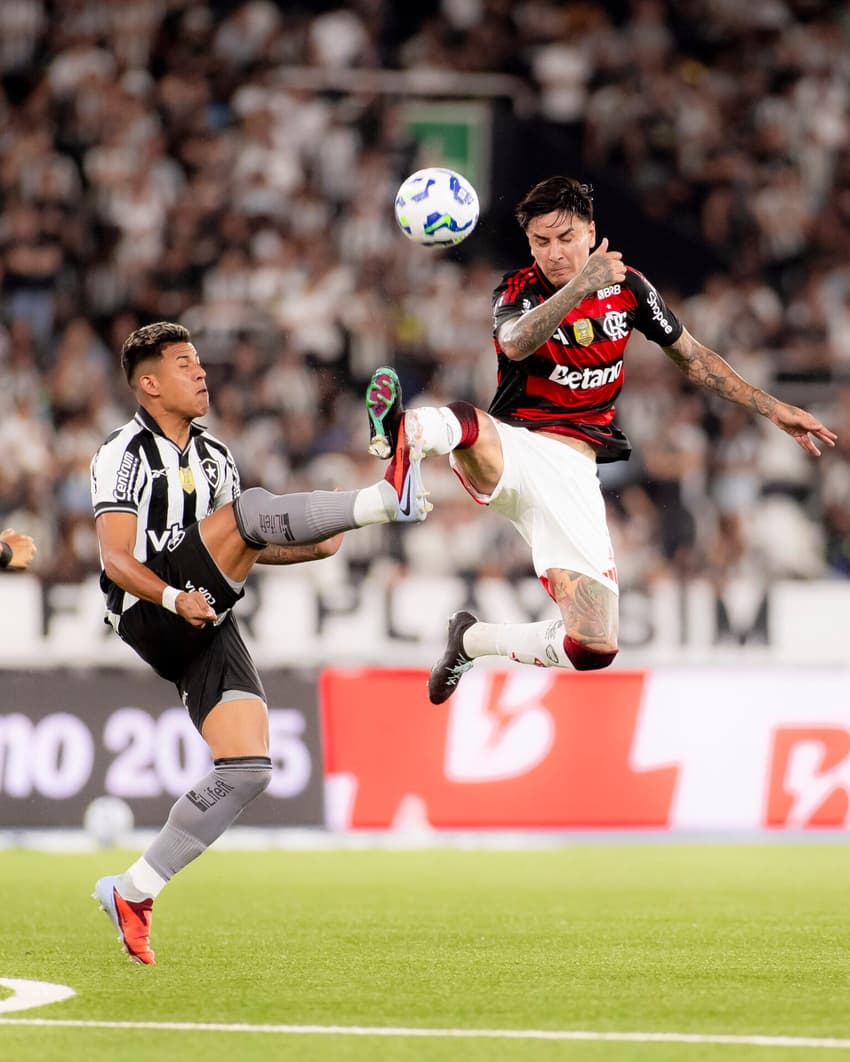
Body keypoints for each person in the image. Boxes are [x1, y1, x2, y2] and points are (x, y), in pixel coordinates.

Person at [365, 176, 836, 704]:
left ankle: (471, 640)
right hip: (517, 446)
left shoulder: (630, 289)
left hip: (573, 472)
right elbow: (515, 344)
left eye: (565, 238)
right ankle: (405, 434)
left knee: (594, 645)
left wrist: (772, 408)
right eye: (541, 242)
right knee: (465, 425)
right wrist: (579, 287)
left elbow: (694, 357)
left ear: (591, 232)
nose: (553, 253)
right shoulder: (517, 289)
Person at [90, 320, 430, 964]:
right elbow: (113, 559)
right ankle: (388, 497)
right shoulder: (123, 453)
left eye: (200, 363)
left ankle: (134, 890)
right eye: (185, 364)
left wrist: (321, 538)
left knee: (247, 769)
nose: (201, 373)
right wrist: (170, 596)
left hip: (207, 616)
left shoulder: (215, 457)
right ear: (150, 383)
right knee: (249, 511)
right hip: (150, 608)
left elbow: (250, 544)